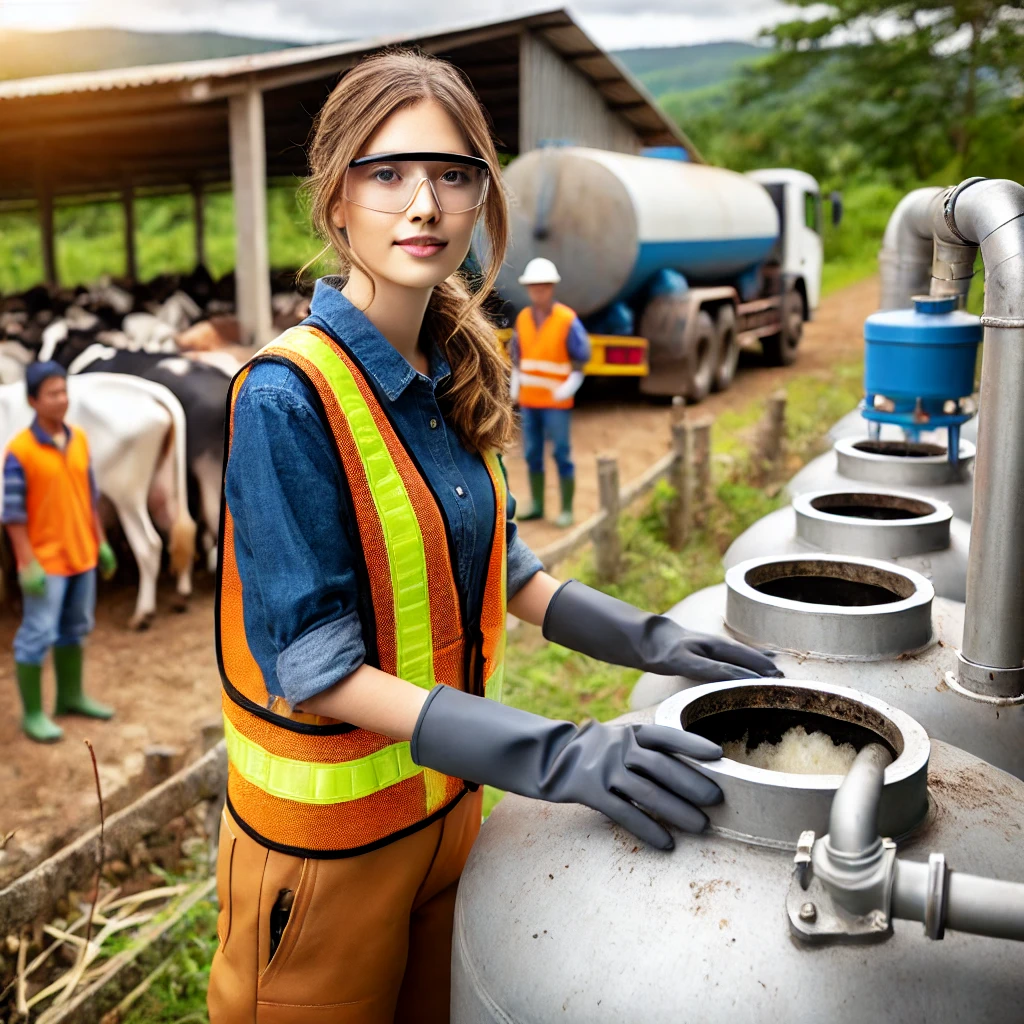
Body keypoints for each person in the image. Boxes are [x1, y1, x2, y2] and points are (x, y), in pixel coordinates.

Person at [207, 49, 781, 1024]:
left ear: (482, 202)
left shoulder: (448, 372)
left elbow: (501, 565)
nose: (422, 202)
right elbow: (317, 667)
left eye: (453, 174)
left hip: (452, 816)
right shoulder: (286, 393)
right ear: (335, 201)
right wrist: (558, 757)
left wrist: (652, 640)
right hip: (324, 859)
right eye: (387, 173)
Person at [2, 362, 117, 743]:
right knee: (37, 633)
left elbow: (90, 496)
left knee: (75, 628)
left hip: (80, 555)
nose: (61, 399)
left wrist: (99, 542)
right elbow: (13, 515)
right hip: (45, 562)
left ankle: (71, 696)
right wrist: (26, 562)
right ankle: (33, 713)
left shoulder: (79, 438)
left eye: (64, 391)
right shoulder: (20, 451)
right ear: (34, 400)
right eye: (52, 393)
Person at [510, 257, 589, 527]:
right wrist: (515, 383)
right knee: (532, 453)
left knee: (561, 453)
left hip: (556, 402)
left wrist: (571, 384)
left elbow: (581, 358)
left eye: (543, 286)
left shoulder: (567, 320)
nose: (538, 291)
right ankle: (538, 505)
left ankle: (566, 508)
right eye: (534, 287)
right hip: (531, 401)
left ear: (551, 288)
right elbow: (518, 357)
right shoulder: (522, 319)